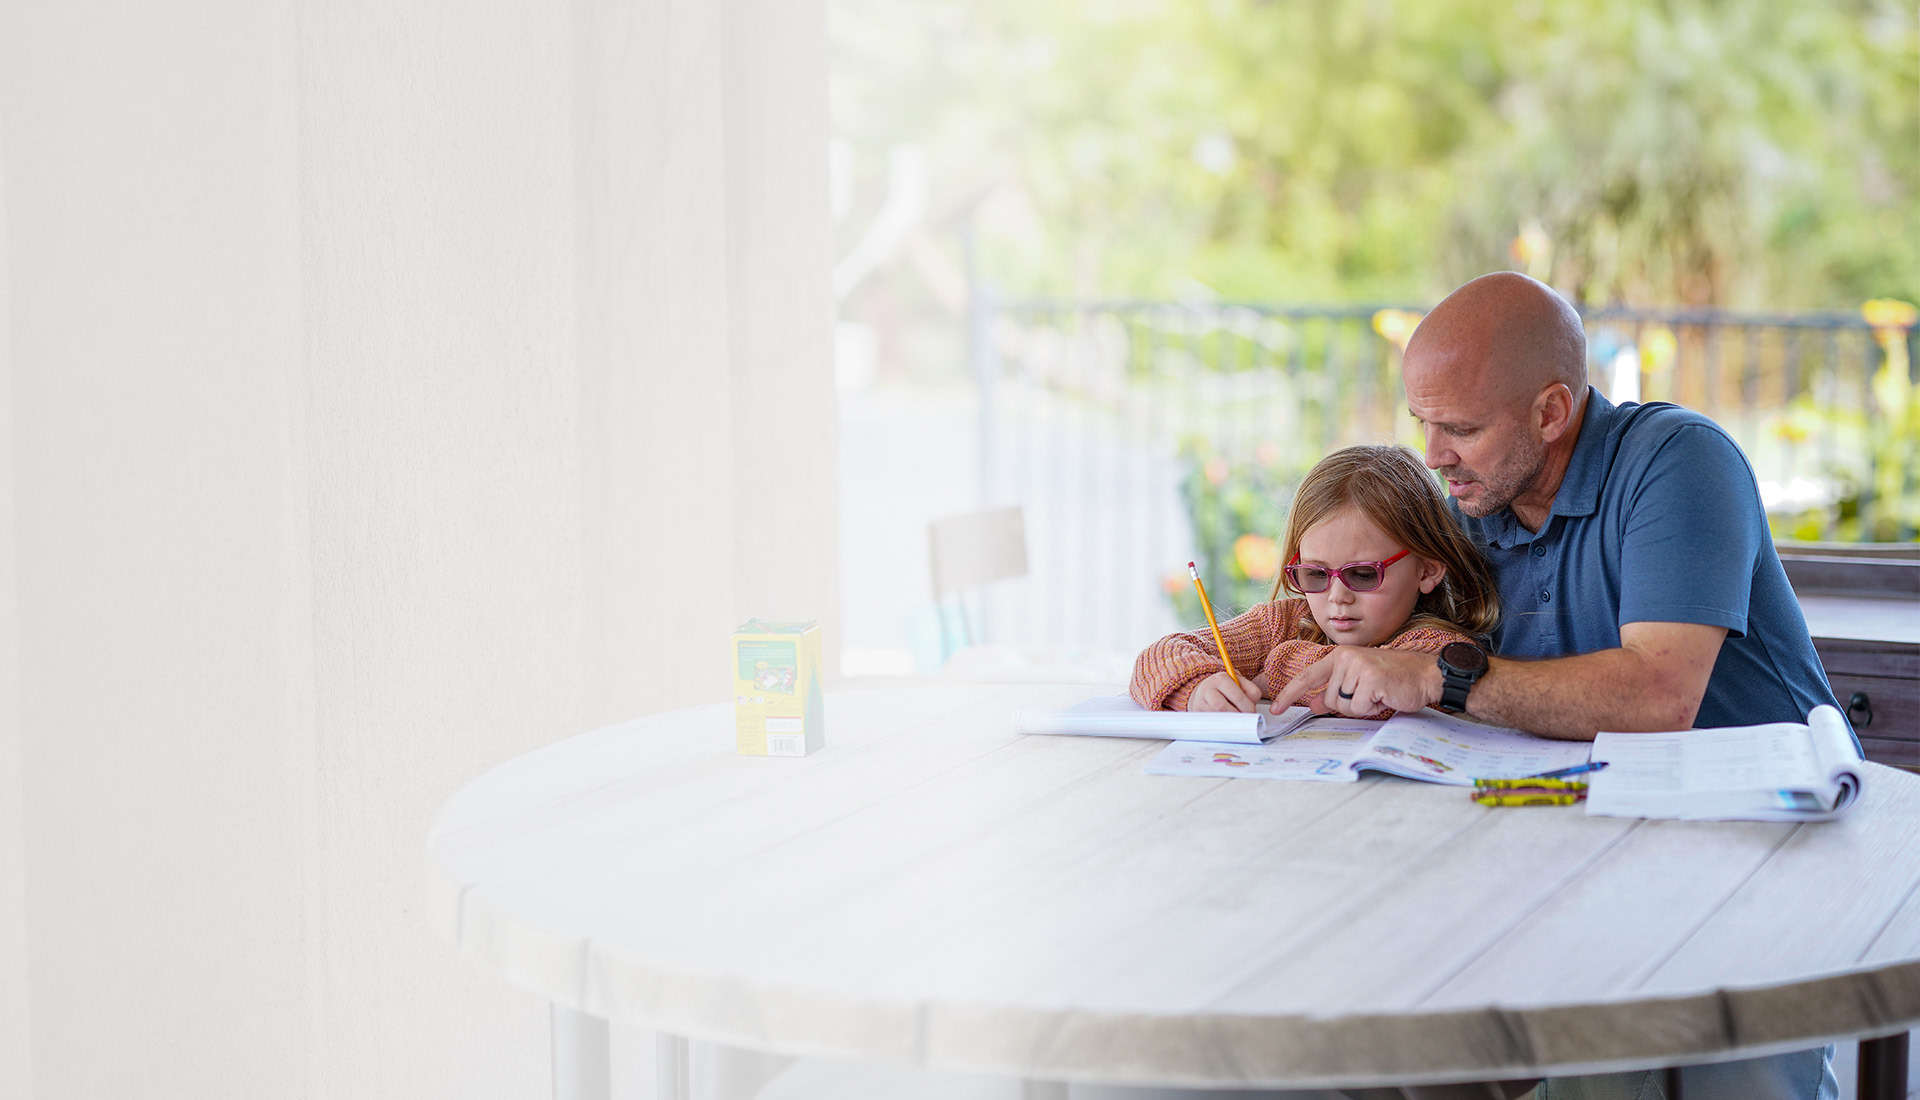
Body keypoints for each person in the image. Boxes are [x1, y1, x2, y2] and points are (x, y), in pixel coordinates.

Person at [1272, 271, 1843, 1100]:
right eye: (1424, 423)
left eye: (1461, 428)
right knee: (1372, 1019)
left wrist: (1441, 678)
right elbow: (1328, 620)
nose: (1434, 456)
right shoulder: (1474, 502)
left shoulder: (1679, 462)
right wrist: (1210, 674)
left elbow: (1659, 697)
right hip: (1580, 846)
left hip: (1754, 844)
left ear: (1550, 412)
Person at [1132, 444, 1500, 719]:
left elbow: (1378, 693)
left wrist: (1275, 669)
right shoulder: (1283, 623)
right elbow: (1159, 656)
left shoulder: (1437, 649)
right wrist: (1198, 689)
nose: (1337, 597)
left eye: (1362, 574)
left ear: (1427, 570)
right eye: (1316, 574)